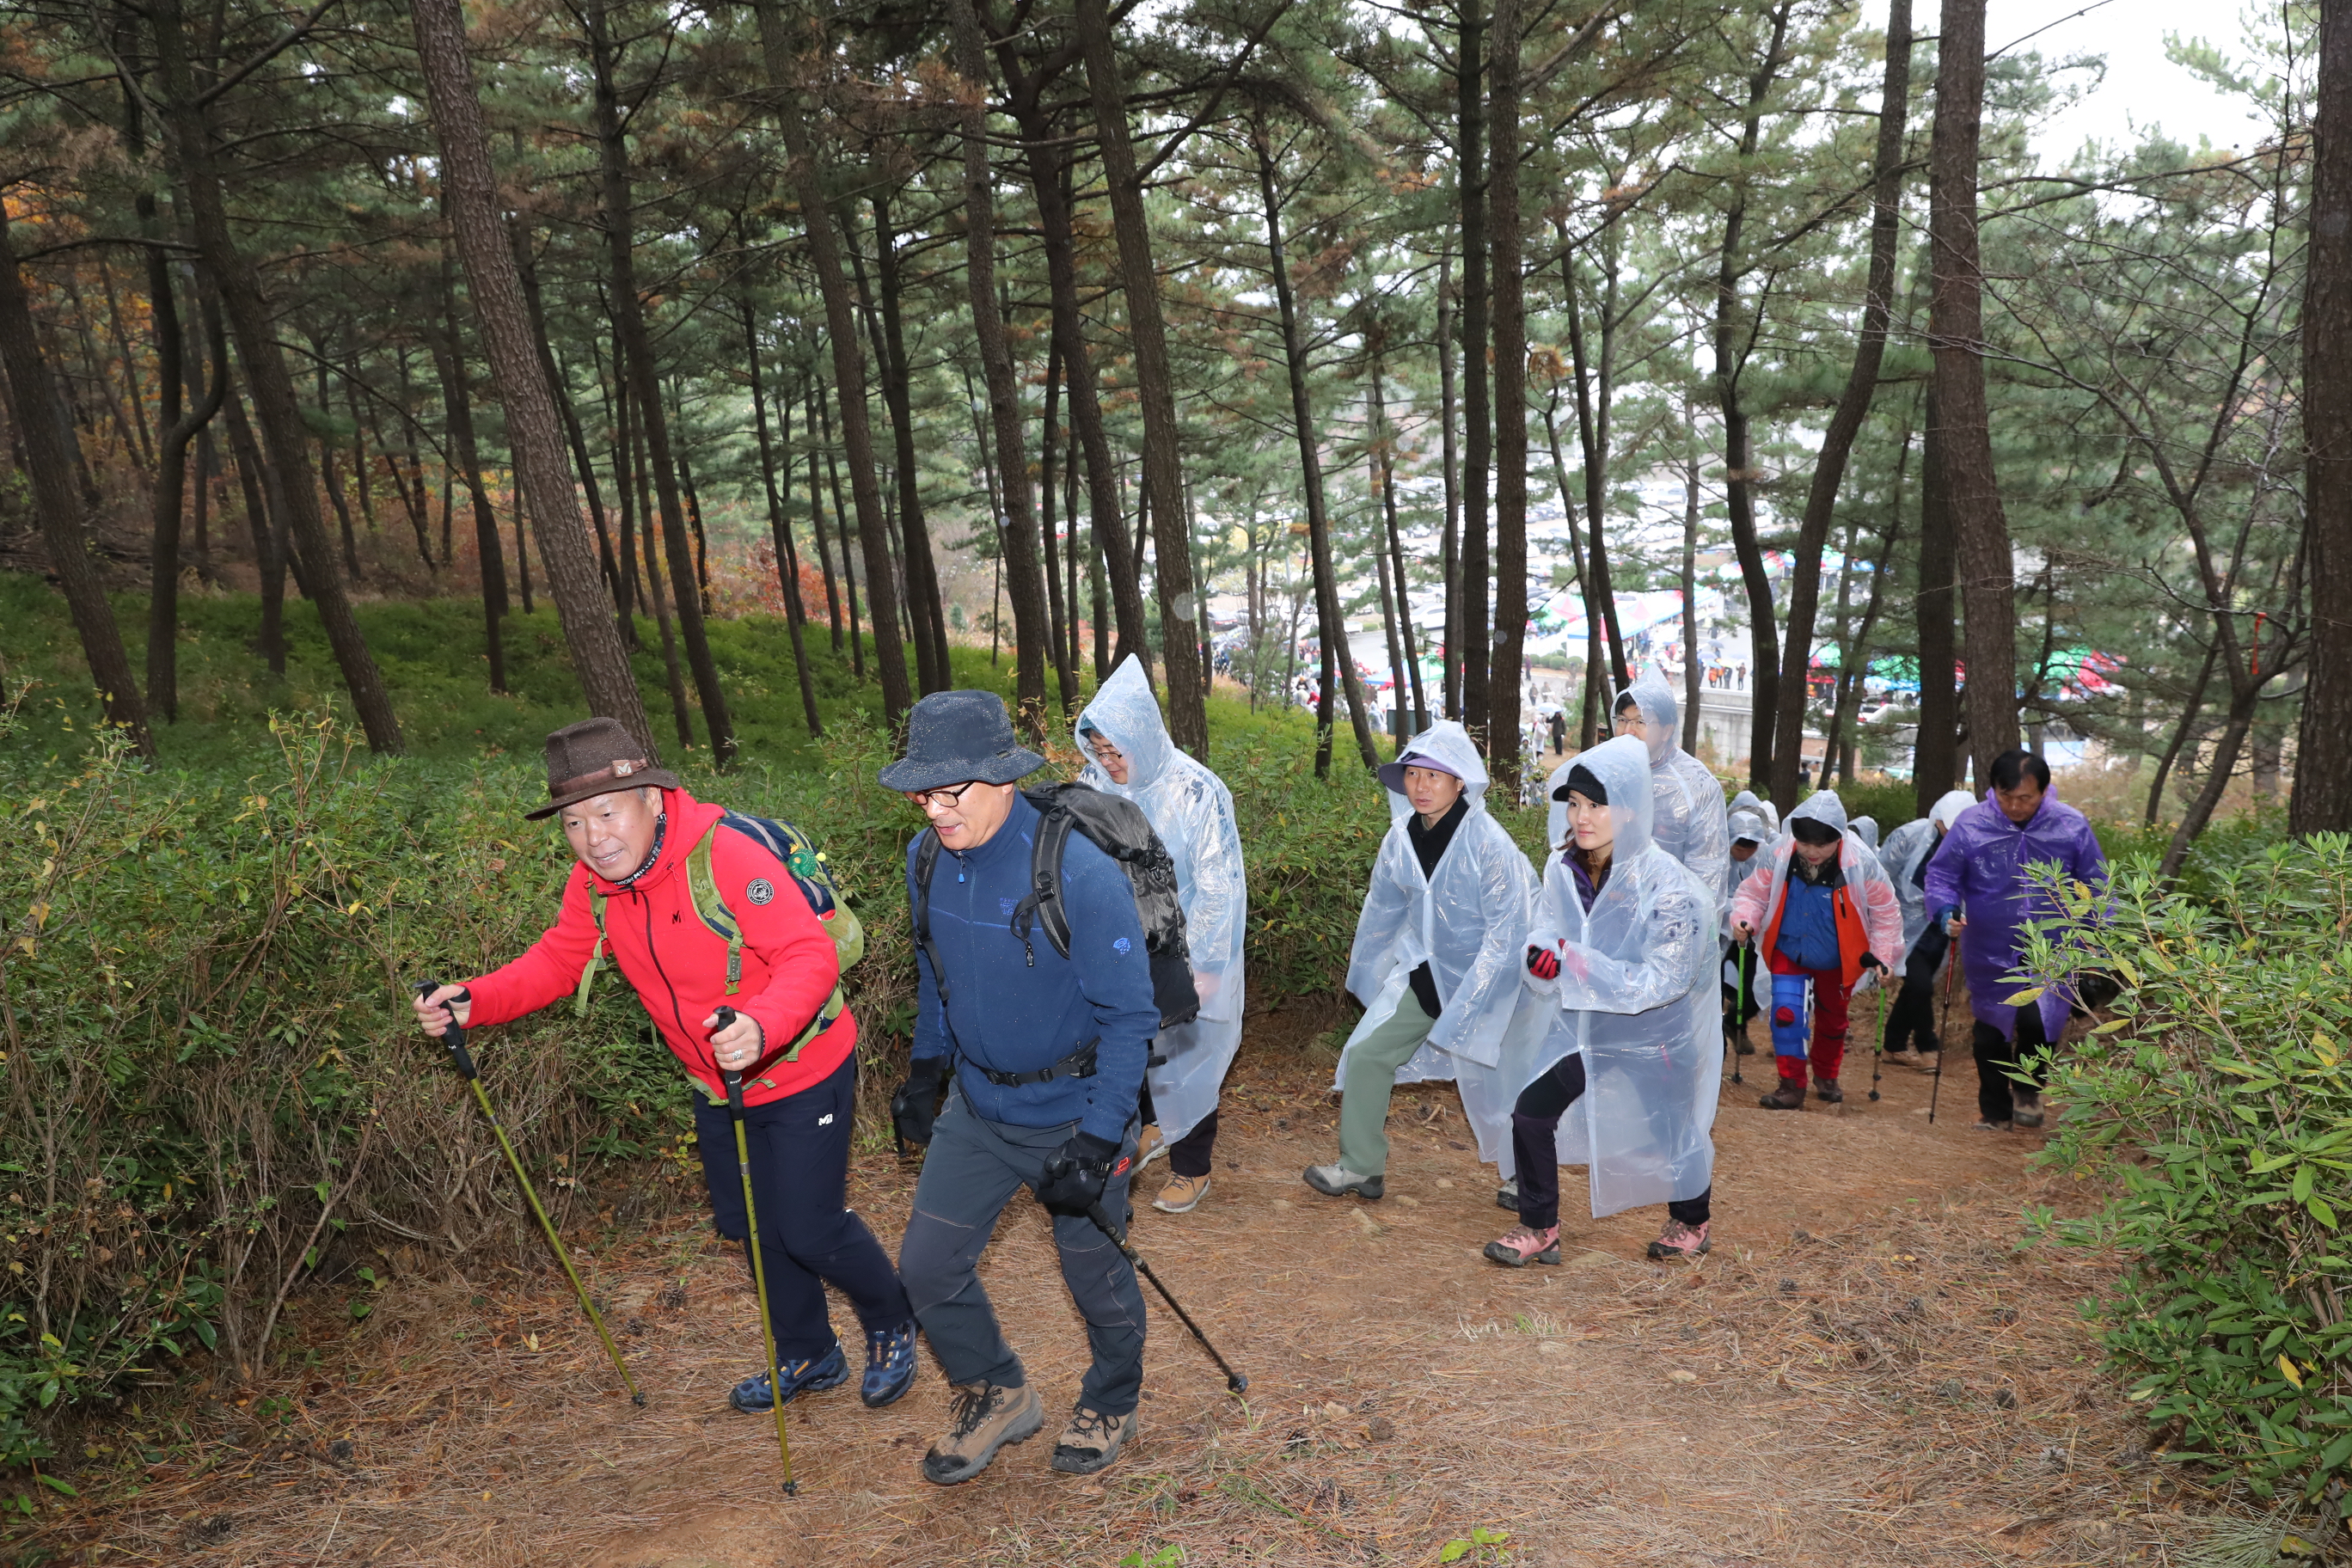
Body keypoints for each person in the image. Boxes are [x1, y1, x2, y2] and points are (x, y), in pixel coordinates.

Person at [411, 719, 916, 1415]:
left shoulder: (727, 855)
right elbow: (559, 961)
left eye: (607, 813)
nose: (594, 839)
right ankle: (808, 1351)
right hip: (715, 1081)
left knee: (809, 1226)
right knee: (752, 1226)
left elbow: (808, 954)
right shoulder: (595, 885)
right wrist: (477, 1001)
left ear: (650, 797)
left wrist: (762, 1025)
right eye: (574, 823)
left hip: (802, 1067)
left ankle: (892, 1320)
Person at [882, 690, 1159, 1484]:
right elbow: (936, 974)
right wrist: (926, 1071)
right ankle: (997, 1392)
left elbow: (1131, 1017)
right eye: (921, 793)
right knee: (929, 1267)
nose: (934, 811)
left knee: (1094, 1274)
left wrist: (1103, 1136)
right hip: (979, 1106)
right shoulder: (926, 858)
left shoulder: (1078, 870)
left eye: (950, 792)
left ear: (1003, 778)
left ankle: (1113, 1394)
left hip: (1073, 1114)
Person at [1461, 737, 1722, 1264]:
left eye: (1596, 804)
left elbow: (1665, 979)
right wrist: (1541, 961)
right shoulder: (1563, 868)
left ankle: (1692, 1222)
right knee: (1531, 1115)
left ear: (1629, 809)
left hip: (1656, 1035)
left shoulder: (1669, 886)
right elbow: (1546, 928)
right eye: (1574, 804)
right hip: (1586, 1031)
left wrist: (1577, 963)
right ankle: (1540, 1227)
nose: (1581, 817)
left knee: (1671, 1129)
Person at [1307, 721, 1536, 1201]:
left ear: (1460, 783)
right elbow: (1382, 912)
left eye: (1435, 775)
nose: (1421, 785)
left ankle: (1528, 1178)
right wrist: (1370, 975)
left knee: (1507, 1078)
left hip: (1497, 984)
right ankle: (1360, 1166)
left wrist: (1475, 1002)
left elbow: (1508, 930)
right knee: (1369, 1054)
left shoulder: (1489, 844)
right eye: (1413, 774)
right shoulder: (1401, 837)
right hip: (1429, 977)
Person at [1075, 656, 1246, 1216]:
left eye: (1114, 751)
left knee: (1186, 1053)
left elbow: (1219, 885)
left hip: (1185, 946)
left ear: (1141, 738)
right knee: (1128, 1045)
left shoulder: (1198, 791)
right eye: (1098, 751)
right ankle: (1150, 1126)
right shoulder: (1094, 785)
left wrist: (1207, 966)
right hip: (1121, 944)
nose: (1107, 762)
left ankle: (1192, 1169)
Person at [1922, 750, 2109, 1132]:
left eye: (2025, 798)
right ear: (1993, 790)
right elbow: (1942, 876)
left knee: (2039, 1019)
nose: (2014, 806)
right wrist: (1945, 912)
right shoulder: (1971, 825)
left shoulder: (2071, 826)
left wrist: (2094, 934)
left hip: (2053, 943)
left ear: (2044, 791)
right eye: (2006, 796)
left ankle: (2028, 1089)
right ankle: (1994, 1108)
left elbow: (2096, 883)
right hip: (1988, 945)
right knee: (1990, 1027)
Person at [1728, 791, 1902, 1110]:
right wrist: (1744, 919)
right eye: (1805, 843)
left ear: (1839, 838)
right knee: (1786, 1014)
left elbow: (1885, 912)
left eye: (1822, 845)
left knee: (1833, 1021)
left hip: (1838, 955)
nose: (1812, 852)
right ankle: (1791, 1084)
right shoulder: (1779, 854)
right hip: (1788, 948)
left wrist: (1883, 957)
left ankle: (1826, 1074)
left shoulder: (1861, 864)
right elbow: (1754, 893)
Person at [1877, 790, 1975, 1070]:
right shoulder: (1909, 836)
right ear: (1938, 819)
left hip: (1940, 924)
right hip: (1902, 921)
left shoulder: (1969, 845)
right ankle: (1927, 1045)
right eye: (1950, 826)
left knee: (1916, 987)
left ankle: (1893, 1045)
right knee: (1920, 985)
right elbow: (1882, 874)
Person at [1721, 809, 1769, 1055]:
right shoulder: (1715, 858)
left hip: (1749, 932)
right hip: (1718, 934)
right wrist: (1736, 909)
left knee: (1753, 985)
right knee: (1715, 986)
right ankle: (1716, 1041)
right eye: (1740, 847)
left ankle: (1735, 1023)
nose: (1745, 853)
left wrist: (1747, 914)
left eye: (1751, 848)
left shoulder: (1760, 861)